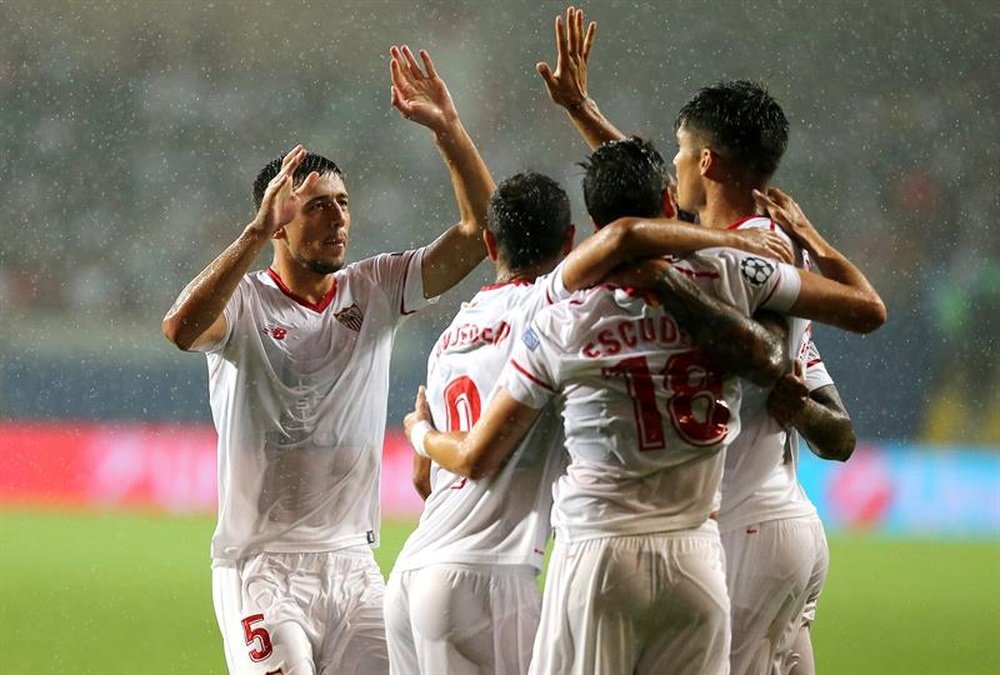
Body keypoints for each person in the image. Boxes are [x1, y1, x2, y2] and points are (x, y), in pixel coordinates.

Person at [404, 136, 883, 675]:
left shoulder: (560, 318)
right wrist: (795, 238)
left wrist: (420, 435)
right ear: (667, 207)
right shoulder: (731, 278)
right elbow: (866, 309)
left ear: (588, 229)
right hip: (697, 558)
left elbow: (478, 453)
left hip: (598, 555)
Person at [537, 9, 878, 673]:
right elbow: (652, 197)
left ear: (708, 161)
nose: (673, 165)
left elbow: (831, 323)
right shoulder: (755, 244)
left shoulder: (751, 254)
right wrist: (583, 109)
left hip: (744, 523)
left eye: (681, 150)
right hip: (784, 521)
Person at [160, 46, 495, 675]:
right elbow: (180, 328)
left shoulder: (374, 287)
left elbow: (482, 232)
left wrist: (448, 128)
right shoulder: (248, 302)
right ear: (279, 225)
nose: (337, 218)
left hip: (353, 564)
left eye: (342, 203)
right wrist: (252, 235)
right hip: (261, 567)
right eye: (316, 206)